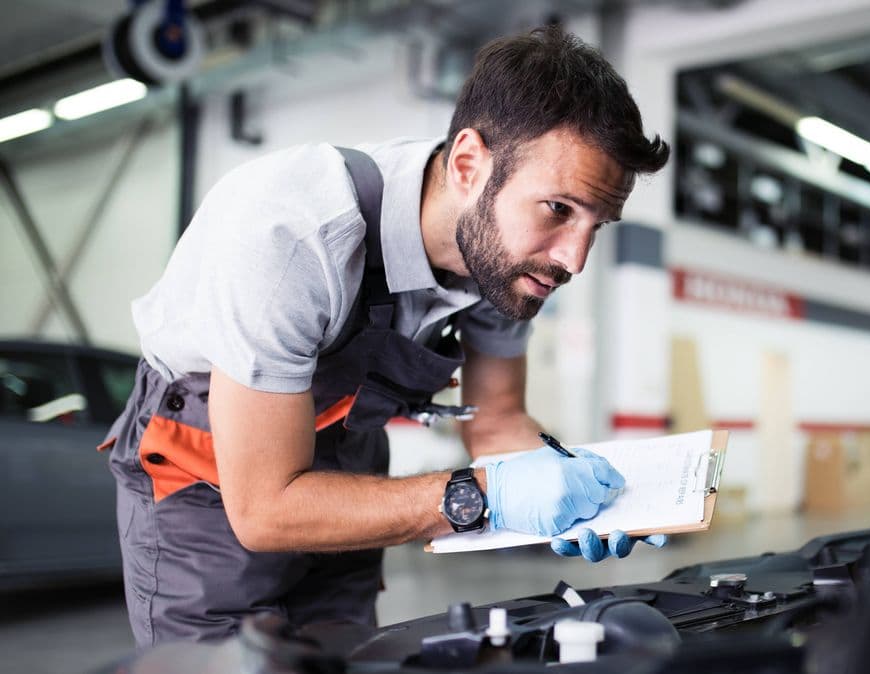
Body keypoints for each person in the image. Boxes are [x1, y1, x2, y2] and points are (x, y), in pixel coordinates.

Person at [101, 25, 670, 646]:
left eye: (598, 224)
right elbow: (264, 509)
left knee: (346, 658)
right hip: (206, 473)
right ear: (468, 164)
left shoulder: (506, 262)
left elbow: (499, 420)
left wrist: (584, 491)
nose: (573, 260)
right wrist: (483, 497)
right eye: (559, 209)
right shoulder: (291, 238)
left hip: (348, 453)